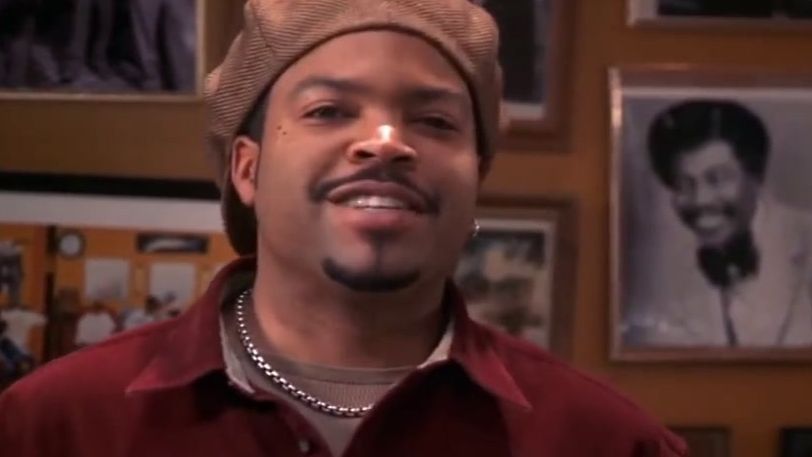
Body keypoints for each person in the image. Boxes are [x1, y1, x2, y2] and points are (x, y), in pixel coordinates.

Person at [0, 1, 686, 456]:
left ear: (476, 175)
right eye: (329, 111)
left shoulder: (603, 441)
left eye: (435, 120)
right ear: (247, 169)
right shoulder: (55, 425)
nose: (385, 143)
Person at [625, 99, 812, 348]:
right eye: (684, 185)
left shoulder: (805, 240)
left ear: (756, 177)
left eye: (717, 179)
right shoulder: (665, 275)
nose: (700, 200)